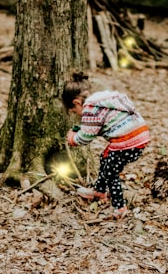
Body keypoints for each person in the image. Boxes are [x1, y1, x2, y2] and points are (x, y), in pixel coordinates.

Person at [62, 72, 151, 220]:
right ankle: (98, 190)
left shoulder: (90, 108)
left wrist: (72, 138)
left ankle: (120, 207)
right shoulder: (103, 101)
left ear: (77, 103)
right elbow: (101, 125)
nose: (76, 114)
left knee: (111, 173)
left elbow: (85, 138)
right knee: (105, 159)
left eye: (74, 111)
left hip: (127, 142)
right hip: (138, 136)